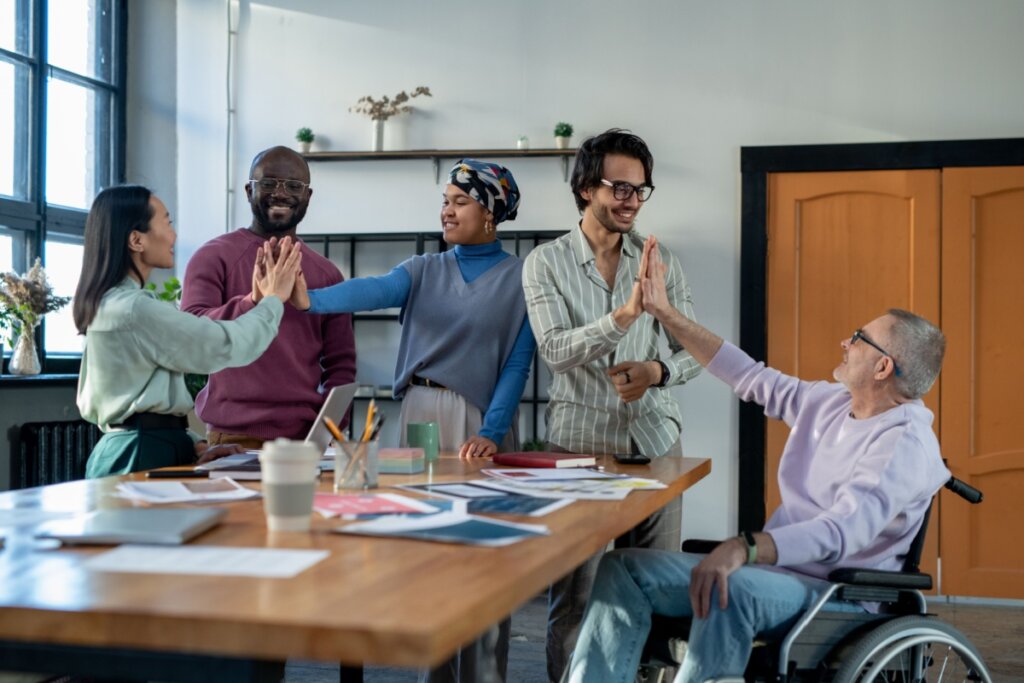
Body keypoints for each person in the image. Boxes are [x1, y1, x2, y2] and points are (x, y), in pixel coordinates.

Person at [565, 237, 951, 682]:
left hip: (835, 593)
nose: (845, 342)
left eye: (860, 339)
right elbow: (748, 375)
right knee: (624, 569)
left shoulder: (905, 445)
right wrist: (666, 314)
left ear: (883, 368)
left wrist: (745, 547)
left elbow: (841, 532)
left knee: (730, 588)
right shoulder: (829, 402)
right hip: (774, 574)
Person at [291, 158, 534, 682]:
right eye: (445, 199)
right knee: (429, 553)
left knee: (488, 557)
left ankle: (485, 675)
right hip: (419, 414)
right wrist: (309, 300)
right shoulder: (424, 269)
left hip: (481, 423)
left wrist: (491, 432)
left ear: (490, 211)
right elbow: (373, 290)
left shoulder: (522, 279)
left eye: (459, 200)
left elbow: (517, 363)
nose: (446, 209)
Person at [521, 129, 702, 681]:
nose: (629, 199)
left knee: (658, 595)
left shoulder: (660, 258)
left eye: (640, 189)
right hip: (579, 450)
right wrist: (622, 318)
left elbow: (693, 347)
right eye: (617, 186)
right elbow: (554, 351)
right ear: (584, 188)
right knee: (576, 601)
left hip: (655, 445)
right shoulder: (545, 263)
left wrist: (657, 371)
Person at [74, 185, 302, 478]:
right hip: (140, 452)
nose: (174, 235)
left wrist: (192, 444)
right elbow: (222, 344)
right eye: (167, 222)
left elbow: (142, 405)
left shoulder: (115, 304)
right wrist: (274, 300)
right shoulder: (134, 309)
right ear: (136, 239)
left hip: (149, 445)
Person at [180, 146, 357, 448]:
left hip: (305, 443)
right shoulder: (213, 257)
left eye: (293, 186)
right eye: (269, 183)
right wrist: (254, 301)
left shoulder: (327, 273)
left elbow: (342, 365)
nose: (280, 193)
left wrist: (327, 431)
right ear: (249, 191)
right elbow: (190, 332)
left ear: (308, 197)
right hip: (232, 440)